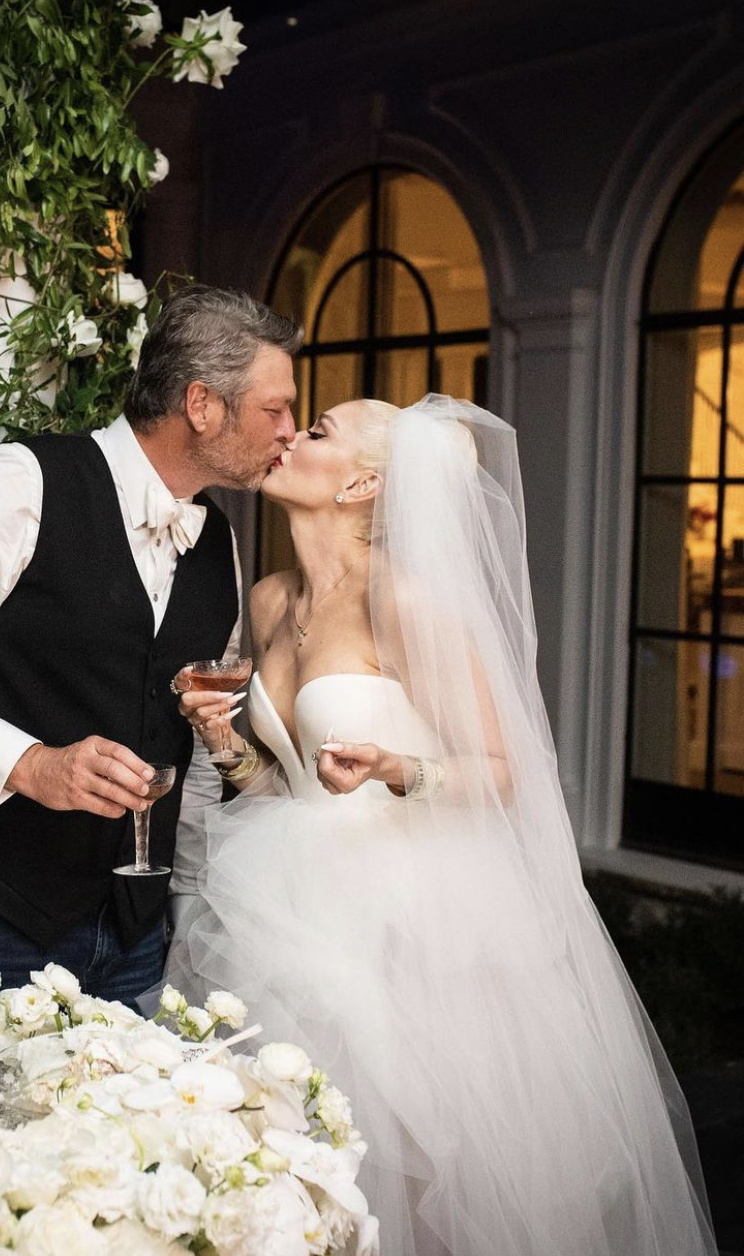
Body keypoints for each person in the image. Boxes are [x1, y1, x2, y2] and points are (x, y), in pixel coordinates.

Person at [169, 394, 716, 1256]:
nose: (291, 436)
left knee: (411, 1175)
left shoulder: (404, 602)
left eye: (318, 431)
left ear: (361, 485)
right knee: (279, 1160)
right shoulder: (269, 599)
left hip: (407, 926)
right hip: (288, 901)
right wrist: (224, 744)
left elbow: (503, 769)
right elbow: (282, 786)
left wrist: (396, 768)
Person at [0, 285, 301, 1004]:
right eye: (275, 410)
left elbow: (190, 746)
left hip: (137, 935)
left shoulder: (219, 542)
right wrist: (28, 764)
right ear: (202, 405)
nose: (289, 432)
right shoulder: (16, 485)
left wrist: (183, 902)